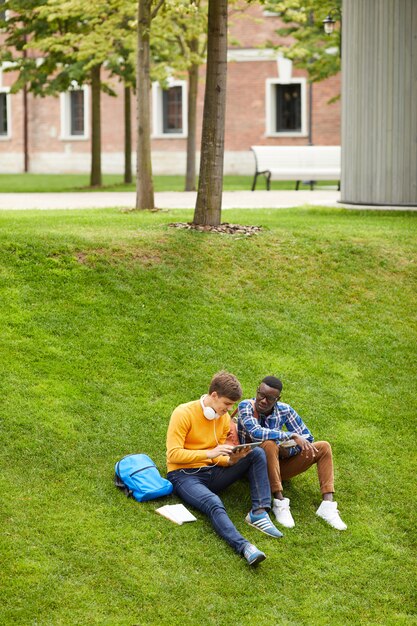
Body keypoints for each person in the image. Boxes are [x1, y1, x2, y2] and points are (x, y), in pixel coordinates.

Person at [166, 371, 283, 566]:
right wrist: (209, 454)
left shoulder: (223, 418)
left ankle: (259, 512)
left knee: (256, 453)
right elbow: (173, 455)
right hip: (183, 475)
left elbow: (218, 455)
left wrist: (230, 460)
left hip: (212, 471)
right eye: (227, 404)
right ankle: (246, 547)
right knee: (213, 502)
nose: (229, 409)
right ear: (214, 395)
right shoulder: (183, 413)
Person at [237, 376, 347, 531]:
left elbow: (307, 437)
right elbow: (255, 432)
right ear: (257, 390)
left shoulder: (285, 410)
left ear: (278, 398)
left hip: (279, 465)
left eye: (269, 398)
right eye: (261, 394)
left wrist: (288, 450)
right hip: (253, 469)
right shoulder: (246, 406)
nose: (262, 400)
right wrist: (289, 435)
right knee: (269, 444)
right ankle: (279, 501)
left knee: (323, 447)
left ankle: (327, 505)